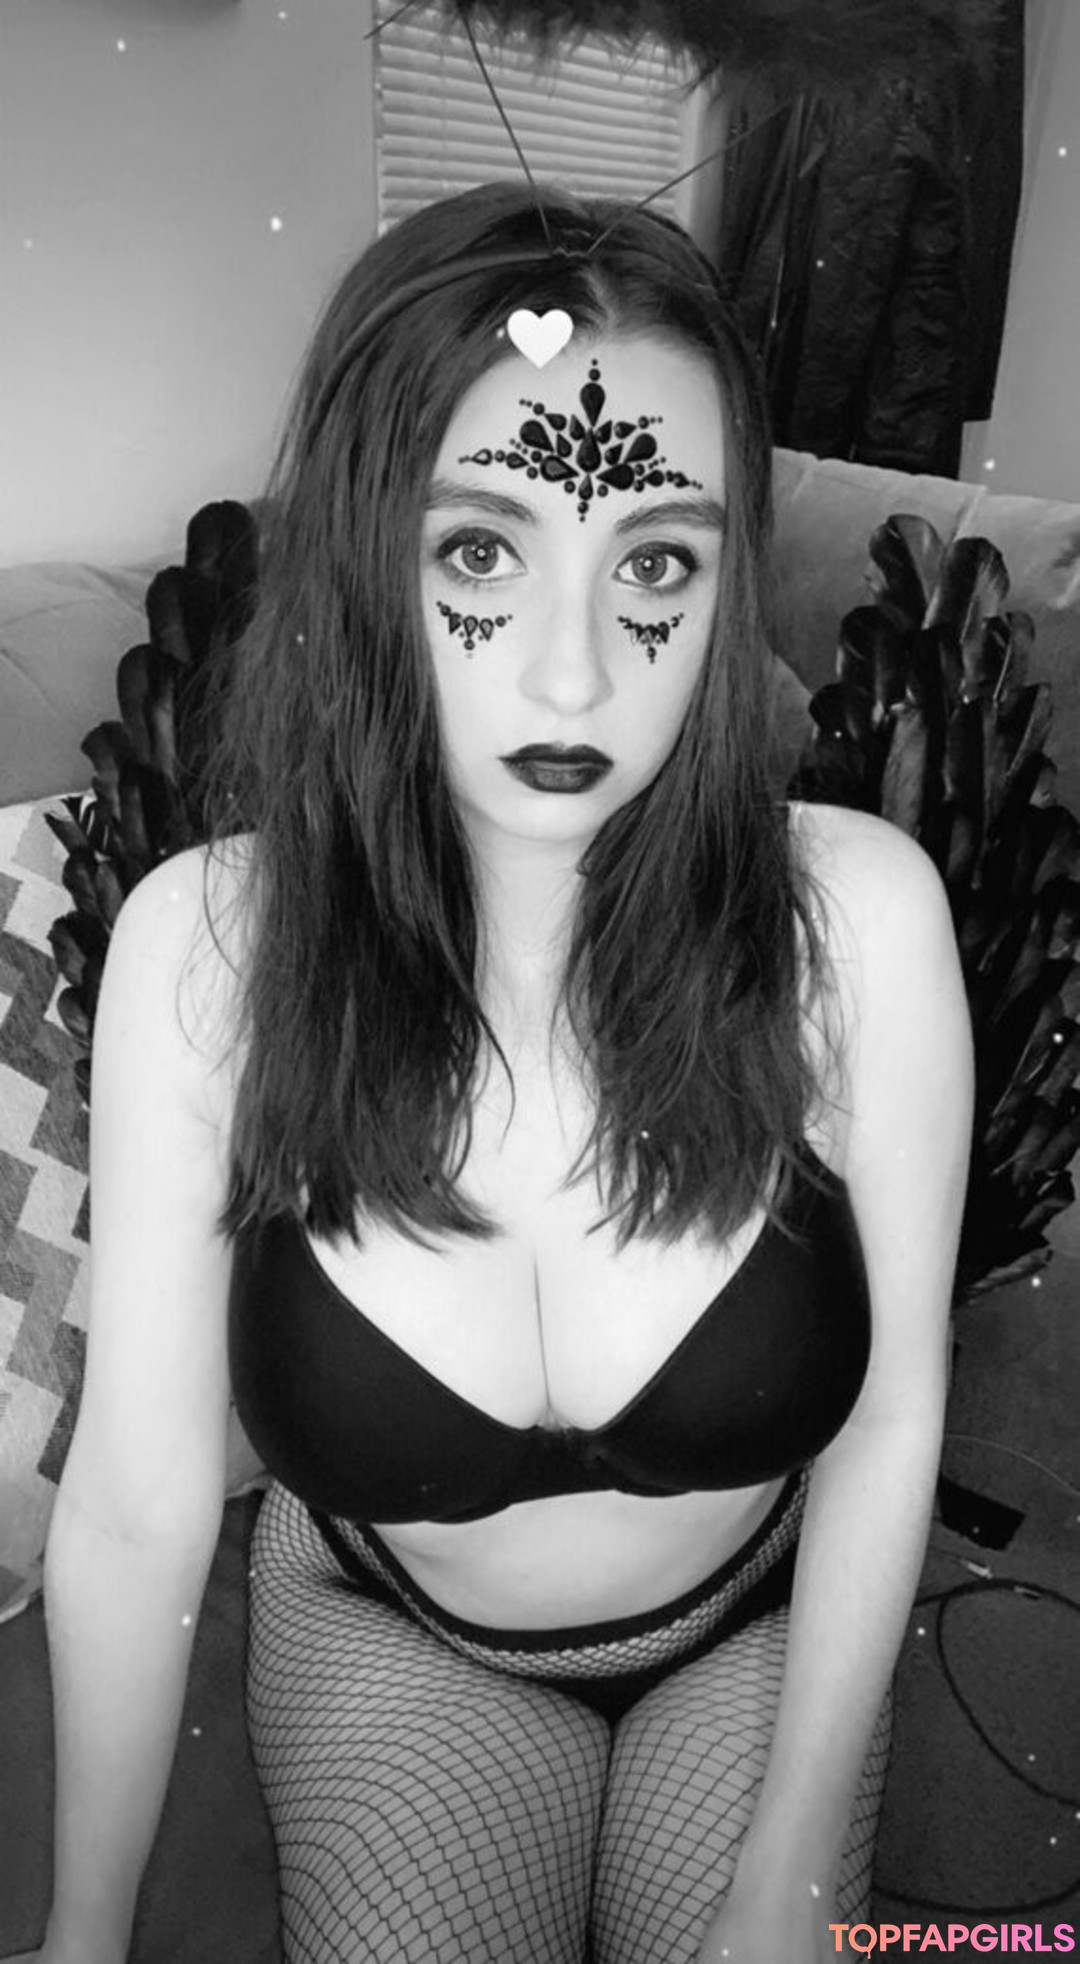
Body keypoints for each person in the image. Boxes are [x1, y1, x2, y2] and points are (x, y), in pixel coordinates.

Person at [29, 181, 972, 1964]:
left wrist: (790, 1867)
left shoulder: (855, 922)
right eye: (479, 554)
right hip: (394, 1633)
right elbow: (142, 1504)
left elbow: (891, 1413)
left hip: (755, 1627)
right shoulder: (211, 952)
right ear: (367, 560)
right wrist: (84, 1936)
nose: (573, 672)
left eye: (657, 565)